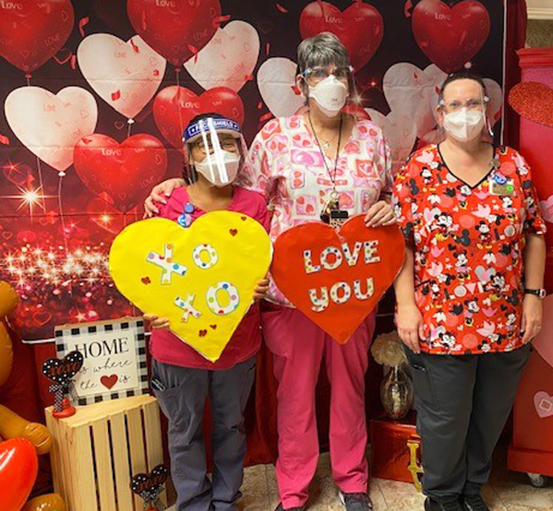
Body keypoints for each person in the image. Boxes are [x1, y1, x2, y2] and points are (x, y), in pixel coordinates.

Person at [144, 33, 395, 511]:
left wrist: (388, 208)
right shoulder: (274, 137)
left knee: (350, 390)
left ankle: (353, 480)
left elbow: (392, 193)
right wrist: (177, 181)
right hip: (289, 292)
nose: (332, 82)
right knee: (295, 397)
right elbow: (232, 201)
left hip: (353, 290)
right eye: (320, 74)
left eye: (339, 73)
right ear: (301, 82)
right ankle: (295, 488)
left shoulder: (373, 136)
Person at [392, 72, 547, 511]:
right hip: (439, 320)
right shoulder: (419, 169)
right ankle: (442, 497)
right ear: (440, 114)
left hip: (505, 318)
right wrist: (406, 306)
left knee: (490, 413)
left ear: (488, 110)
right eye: (455, 106)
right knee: (445, 418)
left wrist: (533, 296)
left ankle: (472, 489)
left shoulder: (514, 166)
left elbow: (535, 232)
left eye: (473, 104)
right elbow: (400, 242)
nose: (465, 114)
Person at [143, 112, 270, 511]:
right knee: (185, 430)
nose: (217, 154)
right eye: (205, 146)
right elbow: (145, 266)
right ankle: (194, 503)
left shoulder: (255, 205)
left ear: (241, 149)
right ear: (190, 154)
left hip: (237, 342)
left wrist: (262, 286)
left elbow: (260, 265)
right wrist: (152, 309)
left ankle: (226, 498)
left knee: (231, 426)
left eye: (228, 144)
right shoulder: (168, 202)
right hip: (177, 345)